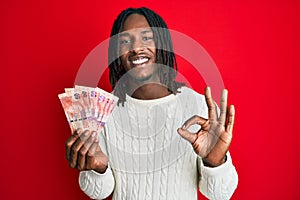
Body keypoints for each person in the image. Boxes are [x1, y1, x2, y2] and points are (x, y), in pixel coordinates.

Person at [65, 7, 238, 200]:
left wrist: (215, 162)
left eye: (146, 38)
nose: (136, 48)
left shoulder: (197, 106)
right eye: (125, 41)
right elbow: (99, 192)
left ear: (162, 44)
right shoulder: (103, 112)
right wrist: (98, 168)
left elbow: (220, 194)